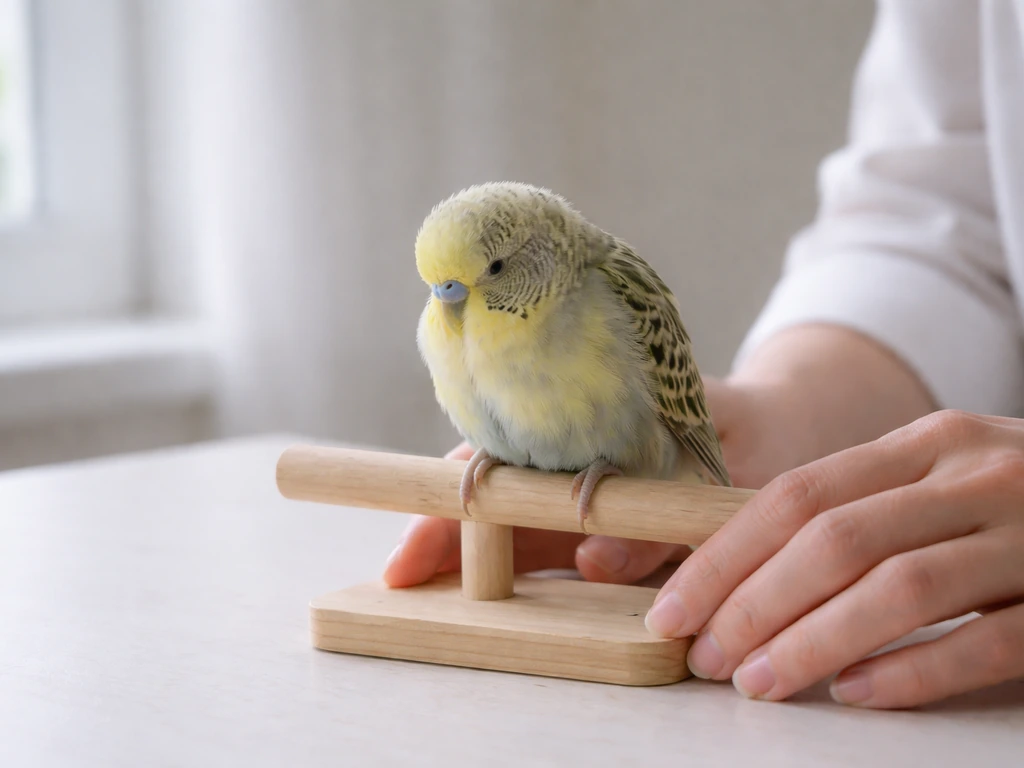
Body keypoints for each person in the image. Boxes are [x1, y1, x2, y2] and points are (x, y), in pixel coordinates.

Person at [383, 0, 1024, 709]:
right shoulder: (453, 310)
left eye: (482, 281)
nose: (450, 309)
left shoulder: (608, 296)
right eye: (438, 292)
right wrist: (791, 410)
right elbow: (940, 212)